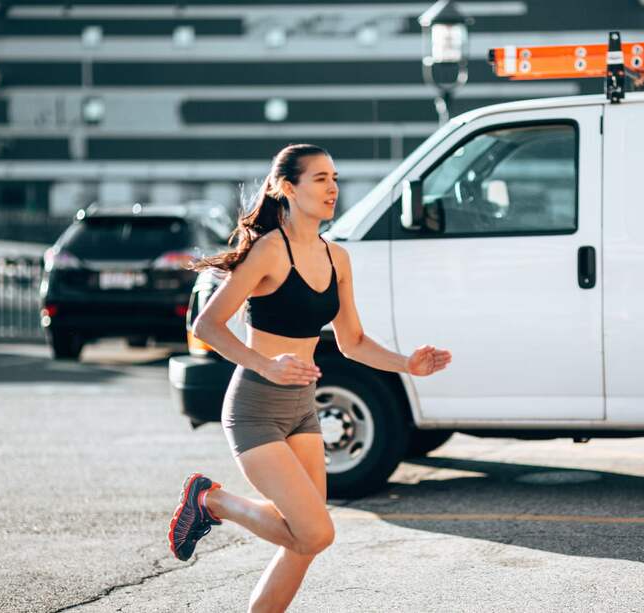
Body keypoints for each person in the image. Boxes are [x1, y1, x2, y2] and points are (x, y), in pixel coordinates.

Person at [166, 143, 452, 613]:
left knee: (303, 543)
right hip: (256, 408)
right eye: (320, 179)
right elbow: (208, 325)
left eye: (334, 178)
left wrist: (408, 364)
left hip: (303, 408)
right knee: (315, 532)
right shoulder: (268, 251)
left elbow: (352, 341)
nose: (332, 187)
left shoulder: (337, 258)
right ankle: (213, 502)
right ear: (288, 187)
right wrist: (265, 364)